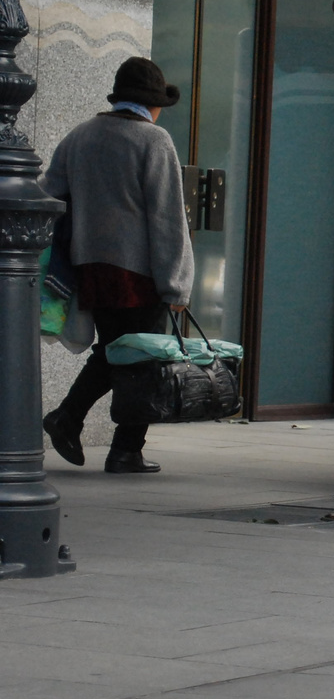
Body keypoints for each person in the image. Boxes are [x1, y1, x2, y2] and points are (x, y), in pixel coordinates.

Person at [40, 57, 194, 474]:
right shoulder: (154, 140)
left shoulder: (80, 136)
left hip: (91, 267)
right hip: (138, 273)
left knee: (113, 352)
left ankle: (76, 422)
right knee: (141, 358)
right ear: (153, 104)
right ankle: (121, 447)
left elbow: (47, 195)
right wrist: (177, 284)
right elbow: (167, 219)